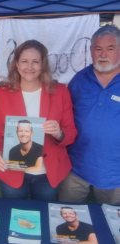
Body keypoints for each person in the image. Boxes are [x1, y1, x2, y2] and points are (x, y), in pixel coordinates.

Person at [0, 40, 77, 200]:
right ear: (16, 64)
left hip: (47, 173)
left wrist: (59, 133)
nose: (29, 67)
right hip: (12, 170)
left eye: (35, 62)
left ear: (43, 65)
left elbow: (71, 133)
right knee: (13, 215)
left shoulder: (61, 92)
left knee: (43, 218)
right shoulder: (1, 94)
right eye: (24, 61)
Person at [58, 25, 120, 205]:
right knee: (67, 214)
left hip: (114, 172)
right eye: (98, 48)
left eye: (110, 48)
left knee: (112, 225)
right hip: (76, 167)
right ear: (91, 50)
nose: (103, 54)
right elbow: (66, 119)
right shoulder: (79, 80)